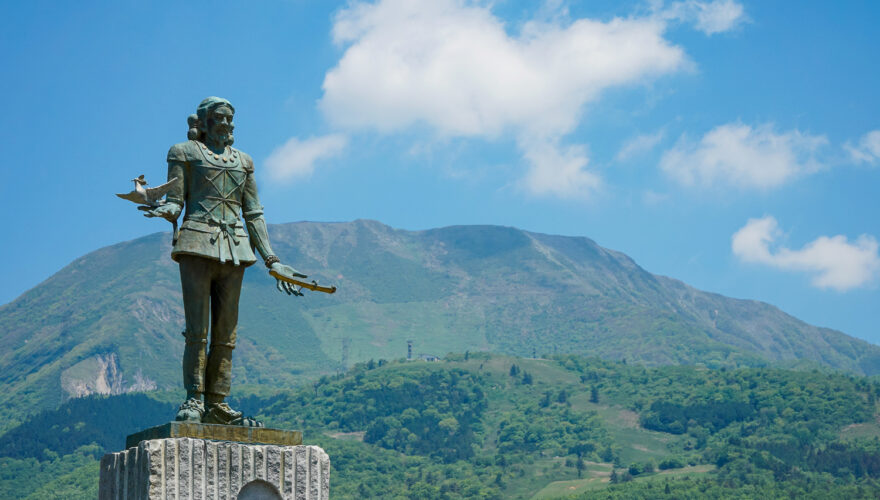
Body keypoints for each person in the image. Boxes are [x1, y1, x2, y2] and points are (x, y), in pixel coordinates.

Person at [145, 97, 304, 426]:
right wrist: (163, 209)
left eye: (231, 119)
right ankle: (194, 398)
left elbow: (253, 212)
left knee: (226, 332)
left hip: (236, 249)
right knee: (196, 330)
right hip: (196, 244)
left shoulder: (243, 162)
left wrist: (272, 259)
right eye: (220, 118)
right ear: (203, 122)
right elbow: (176, 202)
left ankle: (218, 401)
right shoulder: (183, 153)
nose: (227, 124)